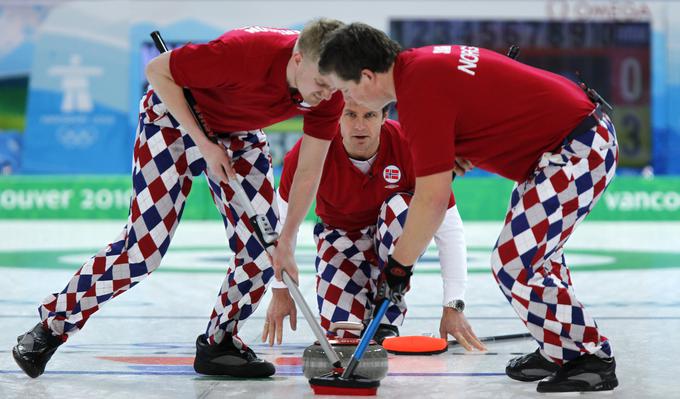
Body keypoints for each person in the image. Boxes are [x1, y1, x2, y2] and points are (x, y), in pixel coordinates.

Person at [12, 19, 345, 379]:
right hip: (169, 121)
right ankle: (49, 328)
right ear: (298, 59)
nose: (326, 94)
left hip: (240, 132)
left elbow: (309, 170)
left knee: (264, 249)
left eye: (333, 86)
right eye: (321, 84)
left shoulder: (332, 93)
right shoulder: (243, 53)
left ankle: (220, 342)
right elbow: (157, 70)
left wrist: (288, 241)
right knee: (143, 251)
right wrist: (204, 145)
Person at [317, 23, 619, 393]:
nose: (349, 99)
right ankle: (560, 346)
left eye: (348, 90)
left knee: (517, 263)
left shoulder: (418, 96)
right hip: (565, 145)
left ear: (366, 77)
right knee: (540, 258)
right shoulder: (420, 67)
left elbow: (432, 201)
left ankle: (591, 357)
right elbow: (478, 106)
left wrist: (399, 267)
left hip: (576, 148)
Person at [261, 99, 485, 351]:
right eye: (350, 114)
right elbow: (279, 222)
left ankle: (388, 308)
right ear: (337, 115)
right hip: (339, 240)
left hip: (393, 241)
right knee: (343, 337)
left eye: (369, 115)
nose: (359, 126)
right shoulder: (310, 150)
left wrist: (453, 305)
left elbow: (449, 227)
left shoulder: (409, 146)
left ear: (385, 116)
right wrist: (280, 290)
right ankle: (358, 305)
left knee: (404, 208)